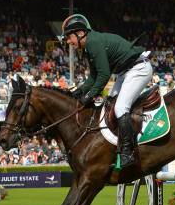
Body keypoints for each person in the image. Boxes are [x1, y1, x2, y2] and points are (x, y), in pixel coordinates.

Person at [61, 14, 152, 168]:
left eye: (69, 37)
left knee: (120, 107)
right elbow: (93, 77)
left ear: (81, 33)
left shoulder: (93, 43)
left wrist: (88, 96)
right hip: (126, 72)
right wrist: (79, 92)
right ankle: (114, 149)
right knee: (108, 106)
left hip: (139, 68)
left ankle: (128, 152)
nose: (69, 42)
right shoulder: (90, 44)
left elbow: (103, 75)